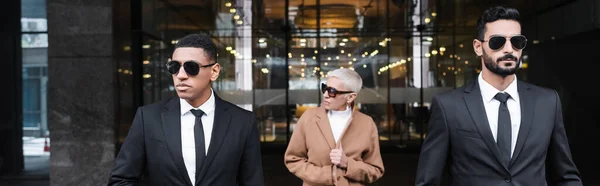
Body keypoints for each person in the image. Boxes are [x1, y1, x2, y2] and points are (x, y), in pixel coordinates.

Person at [415, 6, 582, 186]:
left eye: (516, 41)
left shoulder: (548, 102)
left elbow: (566, 177)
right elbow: (427, 180)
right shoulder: (448, 106)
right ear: (478, 47)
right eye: (498, 42)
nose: (509, 49)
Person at [108, 33, 264, 186]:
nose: (181, 75)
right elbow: (121, 180)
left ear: (214, 71)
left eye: (191, 67)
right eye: (174, 67)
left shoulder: (243, 122)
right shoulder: (148, 118)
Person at [284, 69, 384, 186]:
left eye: (332, 91)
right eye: (325, 88)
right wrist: (328, 175)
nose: (325, 95)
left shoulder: (366, 123)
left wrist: (347, 164)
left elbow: (376, 170)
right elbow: (293, 159)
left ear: (350, 97)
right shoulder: (309, 118)